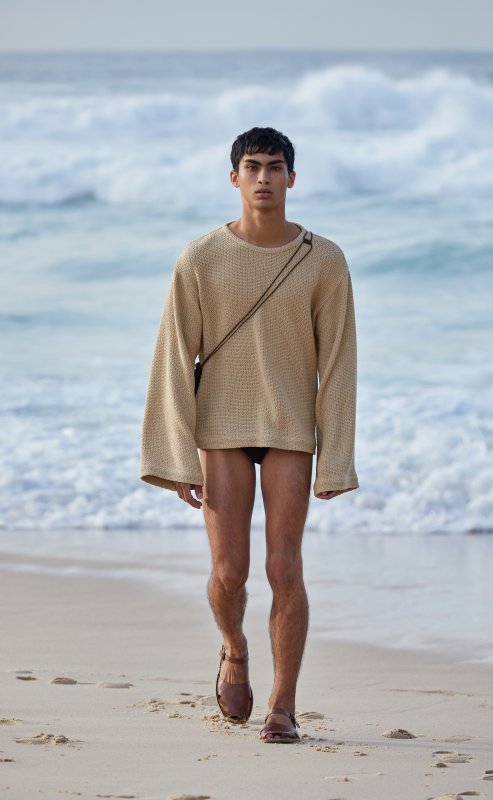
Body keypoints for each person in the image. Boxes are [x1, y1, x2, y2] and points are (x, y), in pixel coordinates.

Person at [139, 126, 359, 743]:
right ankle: (233, 649)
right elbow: (173, 359)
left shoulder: (324, 259)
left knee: (284, 567)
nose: (264, 177)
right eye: (253, 167)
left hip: (290, 427)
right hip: (221, 428)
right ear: (234, 178)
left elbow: (339, 364)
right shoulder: (201, 258)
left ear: (292, 178)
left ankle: (283, 706)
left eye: (276, 166)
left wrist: (335, 458)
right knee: (229, 570)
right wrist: (175, 456)